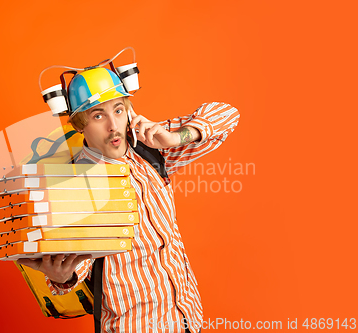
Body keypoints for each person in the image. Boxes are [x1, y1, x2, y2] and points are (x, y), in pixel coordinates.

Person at [18, 67, 240, 332]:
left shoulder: (152, 150)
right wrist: (63, 277)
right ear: (80, 124)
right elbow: (77, 262)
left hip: (187, 320)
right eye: (98, 115)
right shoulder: (75, 186)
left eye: (119, 110)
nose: (113, 126)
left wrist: (176, 137)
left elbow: (228, 115)